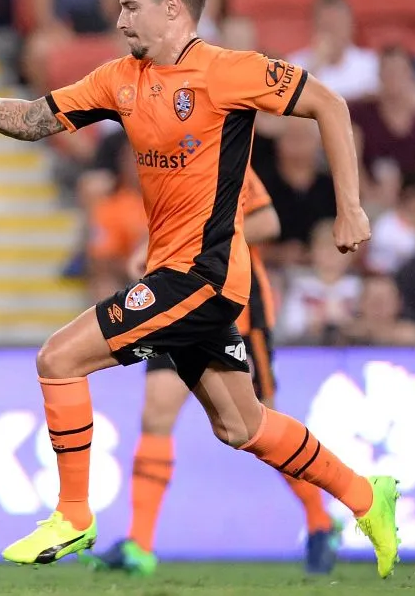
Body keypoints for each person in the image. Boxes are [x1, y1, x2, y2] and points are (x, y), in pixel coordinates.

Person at [0, 0, 399, 578]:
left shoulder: (230, 72)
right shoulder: (120, 78)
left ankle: (73, 515)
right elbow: (36, 119)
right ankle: (368, 496)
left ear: (173, 9)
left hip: (203, 276)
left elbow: (330, 106)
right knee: (241, 425)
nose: (119, 19)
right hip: (173, 278)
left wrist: (350, 208)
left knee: (58, 359)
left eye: (130, 6)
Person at [91, 169, 340, 575]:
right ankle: (140, 544)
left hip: (237, 310)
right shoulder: (161, 154)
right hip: (176, 305)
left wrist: (191, 244)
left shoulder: (226, 148)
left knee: (261, 428)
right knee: (156, 413)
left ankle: (320, 520)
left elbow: (266, 221)